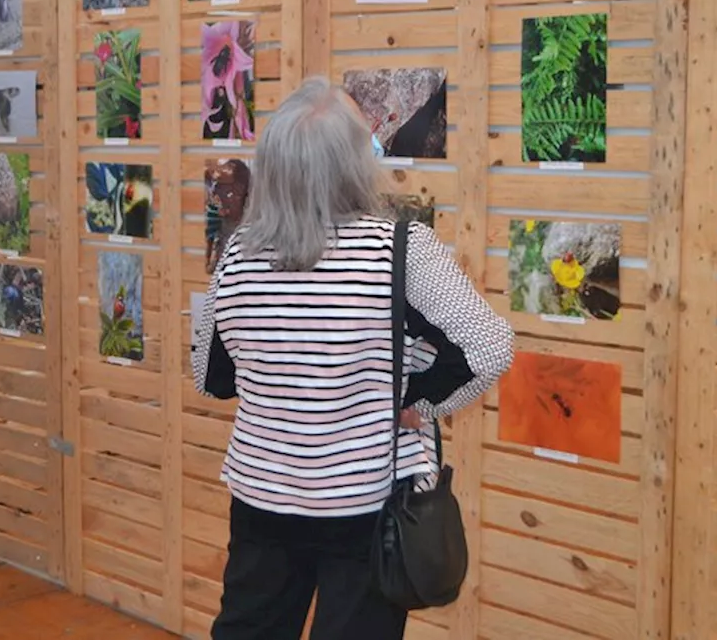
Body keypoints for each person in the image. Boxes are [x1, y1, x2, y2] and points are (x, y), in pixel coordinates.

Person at [191, 77, 514, 640]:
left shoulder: (236, 252)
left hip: (262, 499)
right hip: (365, 505)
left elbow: (210, 376)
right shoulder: (400, 249)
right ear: (351, 161)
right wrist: (414, 401)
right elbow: (491, 346)